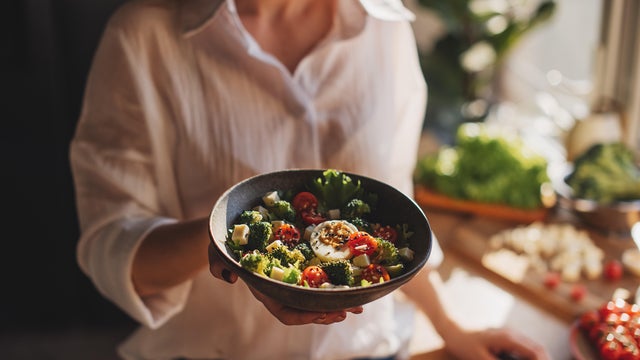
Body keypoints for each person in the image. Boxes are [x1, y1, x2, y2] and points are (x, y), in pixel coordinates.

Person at [70, 0, 550, 359]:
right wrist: (225, 243)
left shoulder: (385, 26)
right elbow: (112, 246)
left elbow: (392, 210)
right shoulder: (144, 36)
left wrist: (452, 328)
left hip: (373, 347)